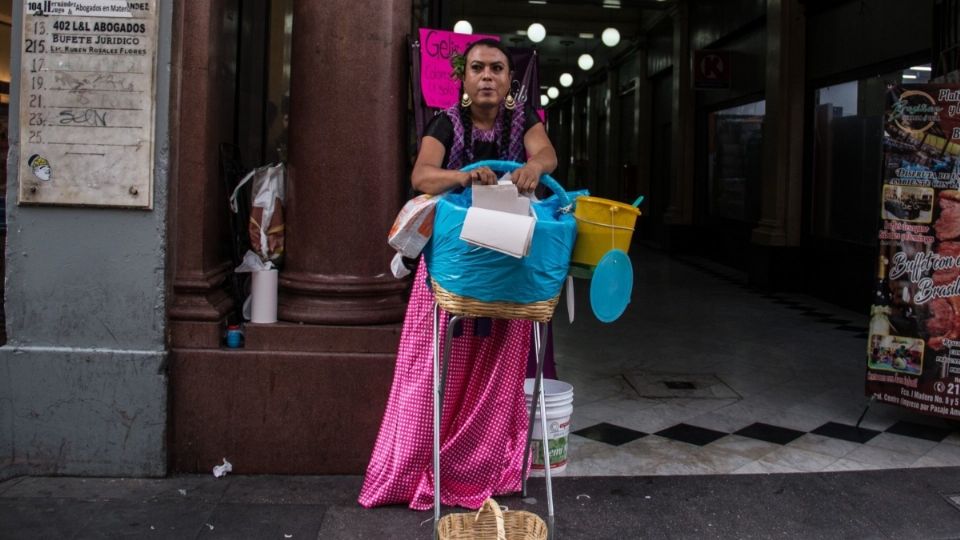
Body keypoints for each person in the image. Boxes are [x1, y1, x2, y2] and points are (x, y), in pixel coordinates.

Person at [358, 39, 558, 511]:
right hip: (449, 273)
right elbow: (422, 176)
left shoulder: (523, 119)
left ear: (511, 81)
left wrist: (532, 167)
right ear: (463, 80)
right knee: (431, 375)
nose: (487, 76)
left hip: (507, 269)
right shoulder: (444, 122)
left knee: (498, 372)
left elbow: (547, 156)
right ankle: (410, 471)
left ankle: (484, 468)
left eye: (497, 69)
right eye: (477, 69)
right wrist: (467, 175)